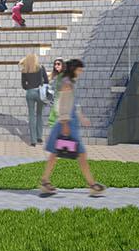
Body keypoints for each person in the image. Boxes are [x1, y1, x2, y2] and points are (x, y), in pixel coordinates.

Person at [39, 59, 106, 198]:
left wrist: (81, 118)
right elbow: (62, 104)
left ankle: (45, 181)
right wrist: (64, 124)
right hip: (66, 123)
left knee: (55, 153)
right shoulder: (67, 83)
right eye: (79, 70)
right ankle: (92, 185)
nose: (80, 73)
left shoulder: (68, 82)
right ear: (74, 69)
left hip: (68, 122)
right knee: (80, 154)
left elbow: (73, 104)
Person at [20, 53, 50, 147]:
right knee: (39, 115)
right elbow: (46, 81)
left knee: (31, 116)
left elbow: (23, 85)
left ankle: (33, 141)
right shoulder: (41, 67)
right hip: (39, 92)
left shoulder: (24, 70)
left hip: (30, 93)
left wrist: (28, 88)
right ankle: (39, 137)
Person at [46, 58, 66, 128]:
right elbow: (49, 75)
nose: (56, 66)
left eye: (58, 64)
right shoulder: (58, 74)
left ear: (62, 65)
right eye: (55, 64)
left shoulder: (64, 75)